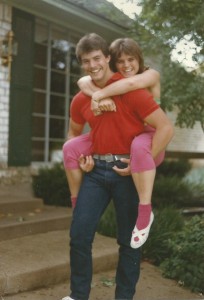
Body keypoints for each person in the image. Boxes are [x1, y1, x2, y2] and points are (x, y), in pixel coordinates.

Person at [62, 33, 174, 300]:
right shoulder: (81, 98)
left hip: (127, 172)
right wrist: (81, 159)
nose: (93, 65)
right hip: (96, 173)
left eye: (97, 58)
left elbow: (165, 127)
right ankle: (78, 296)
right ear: (82, 64)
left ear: (107, 58)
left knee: (129, 241)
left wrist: (140, 161)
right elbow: (73, 135)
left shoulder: (132, 91)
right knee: (79, 235)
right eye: (86, 61)